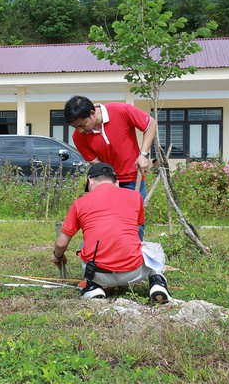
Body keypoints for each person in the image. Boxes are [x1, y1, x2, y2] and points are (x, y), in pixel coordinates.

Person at [51, 162, 172, 303]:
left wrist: (57, 256)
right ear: (117, 182)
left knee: (85, 245)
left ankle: (93, 287)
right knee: (154, 248)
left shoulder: (79, 203)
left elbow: (61, 243)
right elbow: (137, 230)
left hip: (98, 273)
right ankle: (157, 281)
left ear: (90, 181)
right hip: (133, 272)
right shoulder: (135, 197)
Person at [64, 95, 157, 240]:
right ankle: (111, 257)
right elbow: (96, 163)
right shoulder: (78, 137)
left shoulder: (121, 111)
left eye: (83, 125)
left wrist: (143, 154)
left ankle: (134, 256)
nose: (80, 130)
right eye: (75, 127)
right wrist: (111, 181)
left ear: (93, 113)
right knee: (108, 221)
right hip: (108, 183)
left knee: (134, 222)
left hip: (132, 178)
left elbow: (150, 124)